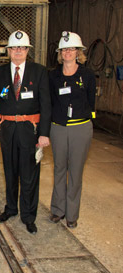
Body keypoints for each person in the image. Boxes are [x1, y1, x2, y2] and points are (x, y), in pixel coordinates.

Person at [0, 30, 51, 234]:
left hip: (28, 129)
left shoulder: (39, 72)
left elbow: (46, 105)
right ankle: (11, 208)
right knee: (10, 171)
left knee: (29, 173)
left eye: (22, 47)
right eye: (14, 47)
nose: (18, 51)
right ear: (8, 51)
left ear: (27, 51)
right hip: (6, 129)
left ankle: (28, 215)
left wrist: (43, 133)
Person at [48, 32, 95, 229]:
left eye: (72, 49)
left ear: (78, 52)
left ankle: (72, 214)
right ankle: (58, 209)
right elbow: (49, 102)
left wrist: (88, 122)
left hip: (80, 128)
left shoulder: (87, 75)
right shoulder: (53, 76)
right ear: (60, 53)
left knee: (75, 171)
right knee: (59, 169)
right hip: (58, 128)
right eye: (64, 49)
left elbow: (91, 102)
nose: (68, 52)